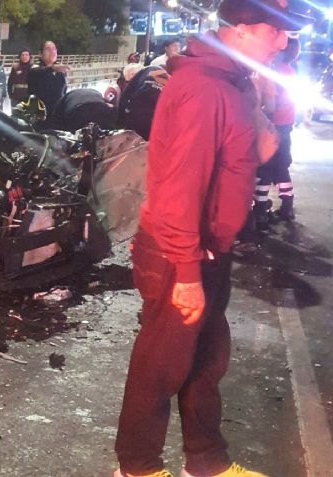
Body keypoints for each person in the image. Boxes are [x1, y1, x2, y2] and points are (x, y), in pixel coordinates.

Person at [113, 1, 312, 477]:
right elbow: (175, 190)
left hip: (210, 248)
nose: (284, 42)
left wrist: (257, 95)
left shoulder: (234, 82)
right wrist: (184, 274)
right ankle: (135, 468)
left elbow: (263, 148)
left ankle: (205, 462)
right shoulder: (201, 88)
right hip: (177, 251)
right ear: (241, 31)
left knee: (206, 360)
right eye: (275, 31)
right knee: (160, 366)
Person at [254, 37, 300, 225]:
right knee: (281, 166)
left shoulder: (275, 72)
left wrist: (260, 111)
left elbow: (271, 105)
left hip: (273, 125)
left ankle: (260, 211)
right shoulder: (290, 71)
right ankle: (287, 207)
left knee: (264, 167)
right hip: (285, 124)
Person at [115, 65, 170, 140]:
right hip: (158, 112)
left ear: (132, 74)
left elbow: (125, 96)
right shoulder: (168, 76)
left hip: (140, 103)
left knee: (131, 139)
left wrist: (119, 123)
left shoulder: (141, 73)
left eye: (127, 81)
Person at [27, 41, 69, 130]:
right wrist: (52, 68)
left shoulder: (60, 72)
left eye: (54, 49)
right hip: (40, 117)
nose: (52, 51)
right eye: (48, 49)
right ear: (40, 54)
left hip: (57, 117)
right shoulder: (35, 69)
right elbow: (37, 72)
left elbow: (63, 92)